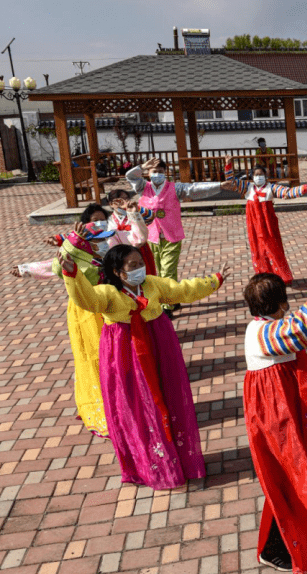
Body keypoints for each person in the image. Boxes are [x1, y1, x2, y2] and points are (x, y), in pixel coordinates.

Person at [58, 245, 230, 489]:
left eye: (140, 263)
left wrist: (214, 280)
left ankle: (179, 458)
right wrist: (72, 275)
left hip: (160, 344)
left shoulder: (152, 284)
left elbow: (182, 290)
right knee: (135, 402)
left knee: (168, 394)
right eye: (133, 265)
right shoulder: (107, 293)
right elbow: (88, 299)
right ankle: (149, 463)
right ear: (117, 272)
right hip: (124, 351)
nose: (140, 268)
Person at [243, 266, 307, 574]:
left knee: (295, 476)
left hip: (286, 415)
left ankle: (304, 537)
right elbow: (306, 328)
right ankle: (276, 547)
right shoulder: (264, 334)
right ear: (279, 304)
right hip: (279, 420)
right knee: (289, 478)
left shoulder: (265, 326)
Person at [12, 222, 117, 438]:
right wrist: (25, 269)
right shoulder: (74, 259)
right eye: (97, 241)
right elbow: (54, 267)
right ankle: (104, 410)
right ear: (84, 244)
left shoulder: (103, 257)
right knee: (96, 358)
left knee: (114, 356)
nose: (103, 244)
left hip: (108, 309)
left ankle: (121, 404)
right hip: (86, 316)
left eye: (104, 239)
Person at [126, 158, 230, 317]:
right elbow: (130, 176)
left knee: (168, 270)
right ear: (148, 173)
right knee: (156, 271)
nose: (157, 174)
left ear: (165, 173)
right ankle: (170, 298)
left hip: (171, 236)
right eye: (154, 172)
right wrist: (142, 166)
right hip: (150, 236)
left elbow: (194, 189)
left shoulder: (174, 188)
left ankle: (168, 306)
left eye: (161, 172)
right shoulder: (143, 187)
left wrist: (219, 186)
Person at [223, 156, 307, 285]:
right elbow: (231, 182)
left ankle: (281, 276)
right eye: (256, 175)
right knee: (258, 250)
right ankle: (263, 275)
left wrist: (303, 189)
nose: (259, 177)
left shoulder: (271, 188)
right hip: (254, 225)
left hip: (268, 225)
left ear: (265, 176)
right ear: (252, 176)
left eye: (261, 174)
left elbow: (287, 192)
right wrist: (228, 166)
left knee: (273, 248)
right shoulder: (247, 187)